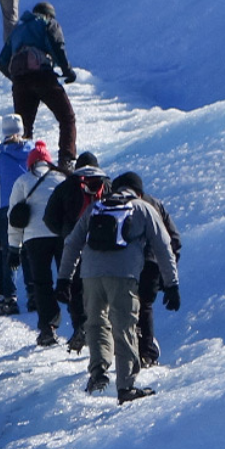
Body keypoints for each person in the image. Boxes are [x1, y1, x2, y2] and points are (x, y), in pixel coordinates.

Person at [58, 181, 180, 403]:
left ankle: (98, 374)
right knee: (124, 327)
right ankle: (126, 386)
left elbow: (72, 242)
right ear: (138, 191)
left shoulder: (96, 207)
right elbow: (164, 245)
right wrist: (171, 284)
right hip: (124, 276)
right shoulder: (143, 208)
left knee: (95, 323)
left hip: (91, 274)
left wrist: (64, 278)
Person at [111, 171, 182, 366]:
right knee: (145, 306)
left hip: (122, 265)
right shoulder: (155, 204)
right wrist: (168, 274)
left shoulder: (113, 204)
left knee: (123, 307)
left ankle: (127, 350)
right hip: (153, 262)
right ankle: (147, 353)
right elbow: (174, 239)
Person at [0, 2, 79, 162]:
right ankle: (66, 160)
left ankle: (23, 162)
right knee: (67, 118)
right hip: (43, 77)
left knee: (23, 127)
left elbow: (1, 62)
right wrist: (67, 71)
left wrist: (16, 78)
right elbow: (57, 45)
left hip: (20, 82)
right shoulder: (48, 23)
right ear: (49, 14)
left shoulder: (17, 30)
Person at [0, 114, 38, 316]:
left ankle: (8, 298)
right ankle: (34, 293)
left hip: (6, 207)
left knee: (8, 251)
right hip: (31, 206)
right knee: (29, 250)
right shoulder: (33, 151)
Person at [44, 152, 106, 351]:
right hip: (102, 247)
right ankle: (102, 329)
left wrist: (64, 233)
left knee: (75, 288)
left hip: (72, 244)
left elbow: (49, 218)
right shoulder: (107, 185)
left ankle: (81, 326)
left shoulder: (65, 186)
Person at [6, 146, 67, 345]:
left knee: (41, 283)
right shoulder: (62, 179)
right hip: (61, 235)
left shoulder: (23, 181)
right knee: (69, 278)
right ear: (49, 161)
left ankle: (48, 328)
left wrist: (14, 248)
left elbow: (14, 217)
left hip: (35, 238)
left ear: (30, 163)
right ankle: (81, 326)